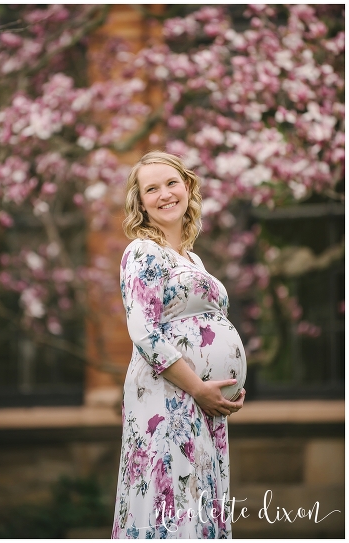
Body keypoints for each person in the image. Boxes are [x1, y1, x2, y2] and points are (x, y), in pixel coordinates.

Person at [111, 151, 247, 539]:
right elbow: (143, 332)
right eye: (151, 188)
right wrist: (199, 387)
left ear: (187, 187)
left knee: (199, 500)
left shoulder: (192, 259)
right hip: (168, 397)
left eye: (171, 183)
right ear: (140, 202)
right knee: (169, 498)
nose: (165, 194)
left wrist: (225, 382)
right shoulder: (142, 251)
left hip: (201, 403)